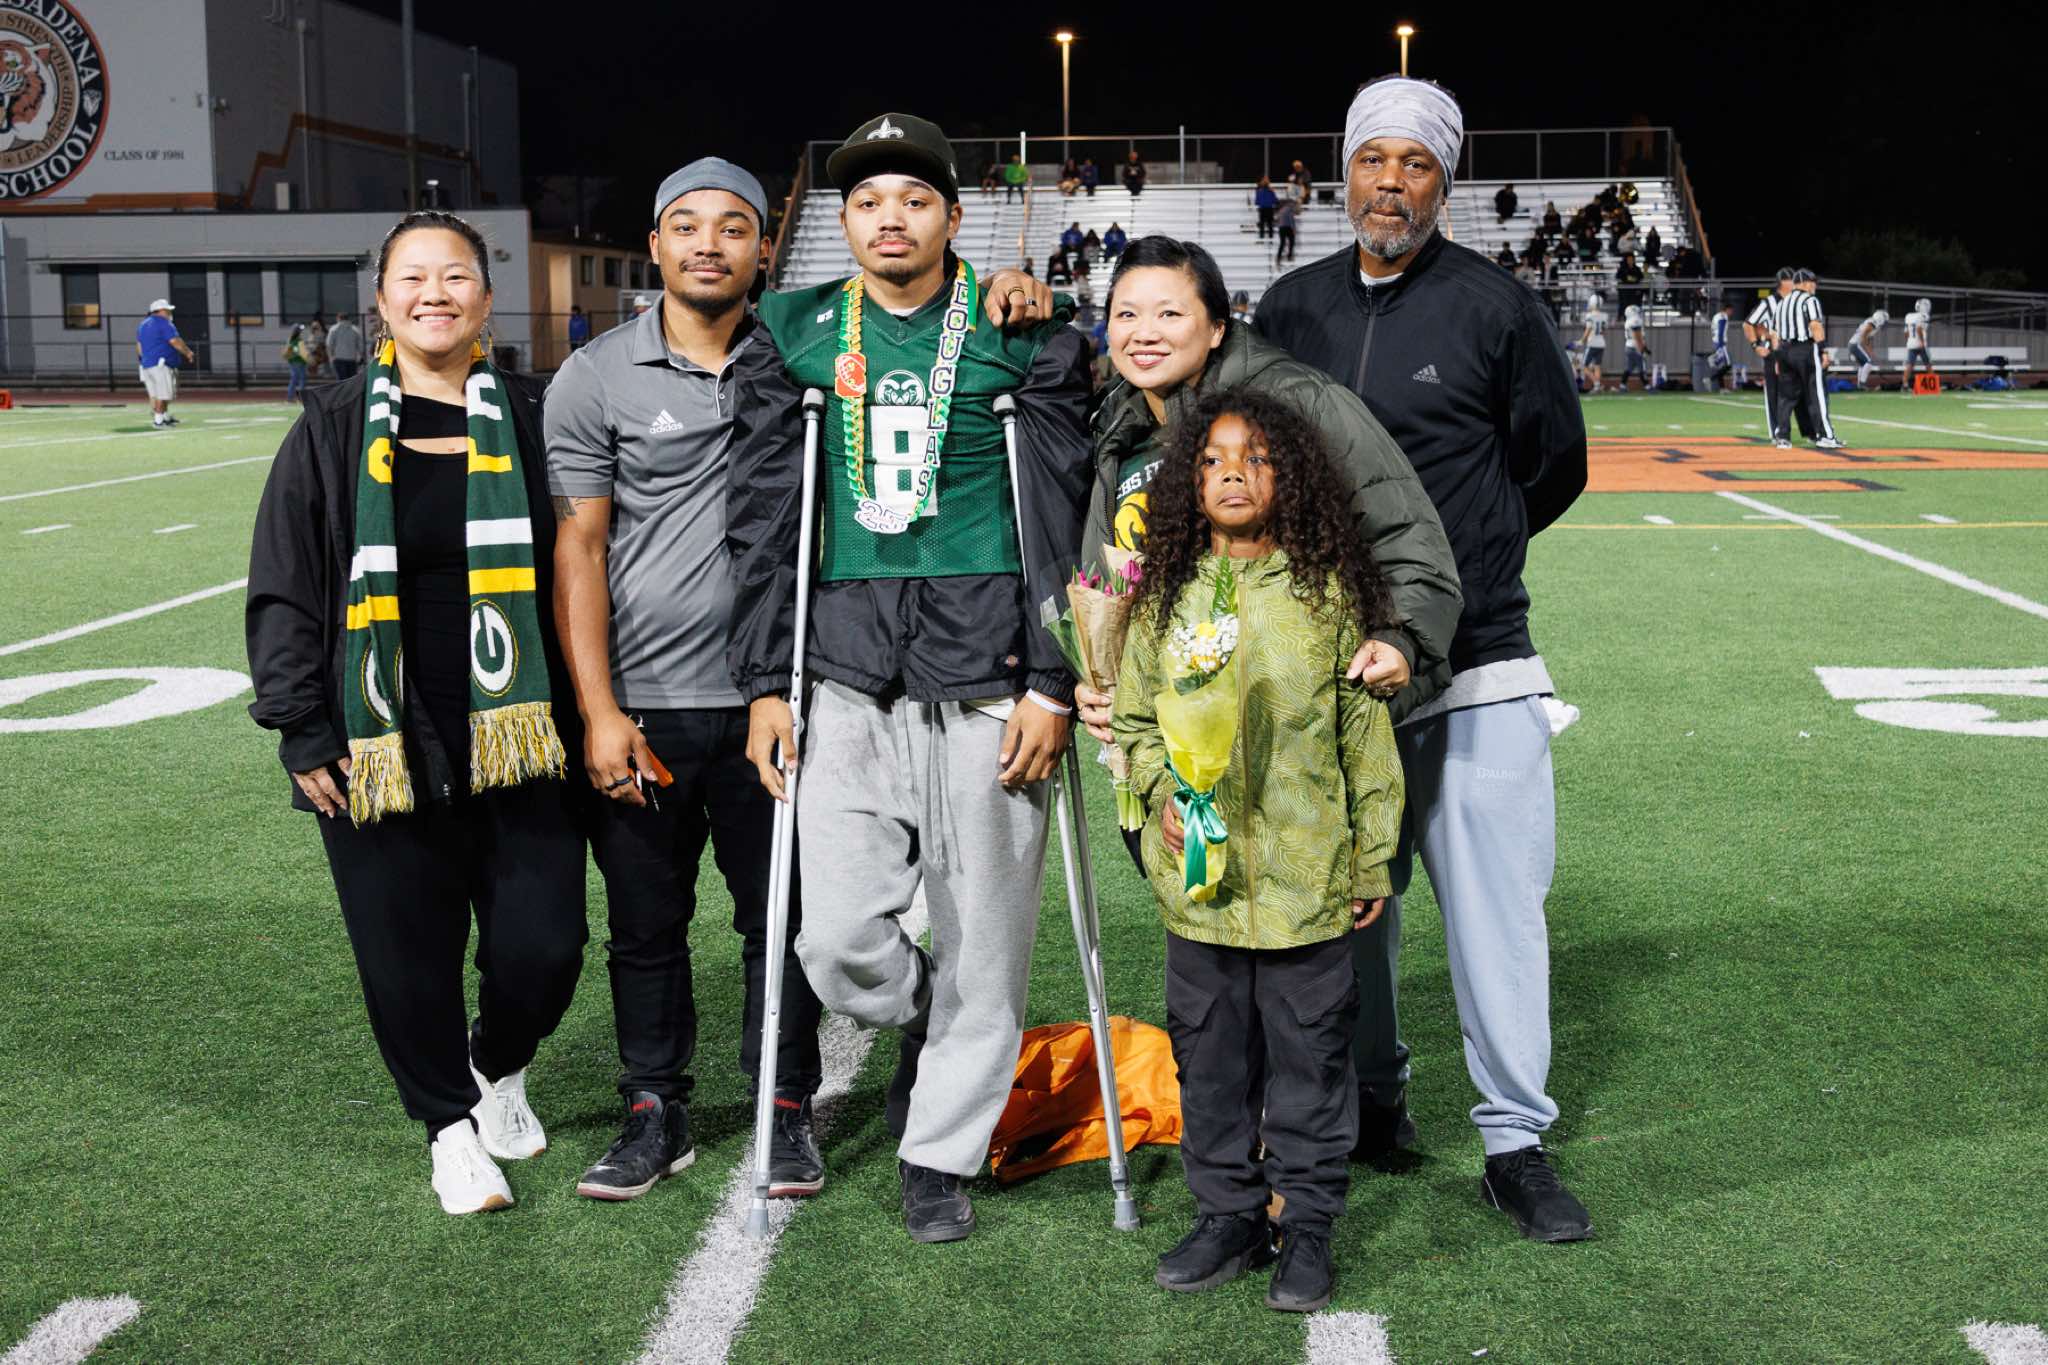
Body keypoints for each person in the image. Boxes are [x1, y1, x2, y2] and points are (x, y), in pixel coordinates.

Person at [729, 112, 1093, 1245]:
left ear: (952, 216)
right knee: (834, 939)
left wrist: (1052, 681)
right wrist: (766, 679)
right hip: (844, 670)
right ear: (843, 222)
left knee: (987, 932)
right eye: (867, 202)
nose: (890, 219)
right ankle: (934, 1016)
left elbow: (1063, 517)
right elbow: (762, 520)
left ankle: (937, 1152)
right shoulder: (790, 333)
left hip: (988, 676)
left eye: (914, 200)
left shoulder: (1020, 332)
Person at [1254, 75, 1594, 1243]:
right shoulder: (1289, 307)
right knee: (1347, 908)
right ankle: (1371, 1105)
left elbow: (1552, 464)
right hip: (1328, 667)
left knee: (1493, 914)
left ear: (1444, 182)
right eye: (1371, 160)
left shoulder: (1496, 308)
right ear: (1341, 172)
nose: (1388, 184)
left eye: (1413, 164)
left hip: (1476, 661)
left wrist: (1456, 577)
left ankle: (1513, 1143)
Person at [245, 210, 588, 1217]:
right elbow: (284, 581)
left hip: (520, 730)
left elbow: (585, 565)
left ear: (487, 297)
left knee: (546, 944)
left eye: (455, 276)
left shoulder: (536, 414)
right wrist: (301, 726)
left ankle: (497, 1063)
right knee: (405, 951)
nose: (434, 293)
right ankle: (448, 1128)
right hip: (381, 733)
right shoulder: (333, 425)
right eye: (412, 277)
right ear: (382, 302)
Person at [545, 159, 832, 1203]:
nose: (709, 243)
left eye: (733, 226)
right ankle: (652, 1108)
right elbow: (579, 549)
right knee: (645, 926)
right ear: (655, 245)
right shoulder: (594, 377)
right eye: (687, 225)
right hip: (646, 708)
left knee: (781, 922)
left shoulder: (805, 354)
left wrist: (1009, 288)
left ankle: (782, 1105)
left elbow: (916, 309)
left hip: (774, 698)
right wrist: (599, 711)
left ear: (764, 248)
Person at [1114, 387, 1403, 1314]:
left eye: (1255, 458)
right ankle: (1227, 1214)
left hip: (1304, 881)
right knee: (1210, 1058)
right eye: (1211, 460)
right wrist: (1163, 796)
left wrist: (1370, 856)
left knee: (1310, 1058)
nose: (1232, 473)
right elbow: (1134, 723)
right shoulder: (1163, 598)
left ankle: (1307, 1221)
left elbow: (1363, 734)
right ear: (1188, 482)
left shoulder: (1325, 595)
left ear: (1293, 477)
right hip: (1201, 886)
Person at [1071, 236, 1458, 859]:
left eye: (1169, 313)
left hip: (1295, 737)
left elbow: (1402, 530)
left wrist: (1402, 637)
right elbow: (1110, 574)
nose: (1145, 332)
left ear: (1217, 328)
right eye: (1127, 314)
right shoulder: (1119, 424)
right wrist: (1102, 682)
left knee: (1314, 903)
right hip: (1180, 754)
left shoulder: (1296, 401)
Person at [1774, 268, 1839, 448]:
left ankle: (1783, 437)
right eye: (1812, 282)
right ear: (1803, 283)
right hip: (1804, 349)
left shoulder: (1782, 302)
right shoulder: (1810, 300)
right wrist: (1823, 351)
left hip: (1784, 350)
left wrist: (1778, 357)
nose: (1815, 285)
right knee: (1817, 393)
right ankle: (1825, 436)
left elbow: (1775, 332)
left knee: (1786, 397)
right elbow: (1815, 326)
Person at [135, 298, 195, 429]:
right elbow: (174, 341)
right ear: (161, 311)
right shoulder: (164, 323)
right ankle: (158, 421)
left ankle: (164, 417)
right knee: (163, 394)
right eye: (167, 310)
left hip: (147, 365)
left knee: (158, 394)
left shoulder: (143, 325)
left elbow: (139, 346)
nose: (169, 313)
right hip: (161, 364)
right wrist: (188, 352)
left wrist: (143, 361)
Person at [1848, 308, 1888, 389]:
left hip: (1853, 344)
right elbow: (1863, 335)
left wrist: (1870, 351)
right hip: (1855, 344)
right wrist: (1866, 348)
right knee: (1868, 363)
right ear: (1881, 318)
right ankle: (1862, 383)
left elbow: (1867, 338)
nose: (1884, 323)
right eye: (1884, 320)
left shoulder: (1871, 322)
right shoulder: (1873, 323)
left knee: (1863, 364)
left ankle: (1859, 385)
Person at [1579, 293, 1608, 393]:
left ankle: (1597, 383)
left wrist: (1582, 340)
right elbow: (1604, 331)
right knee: (1597, 366)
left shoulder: (1590, 316)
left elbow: (1588, 329)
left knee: (1583, 366)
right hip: (1601, 343)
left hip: (1592, 343)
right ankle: (1597, 387)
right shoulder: (1604, 316)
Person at [1902, 297, 1933, 393]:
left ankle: (1905, 385)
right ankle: (1933, 385)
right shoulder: (1924, 316)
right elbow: (1919, 329)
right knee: (1928, 364)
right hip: (1921, 344)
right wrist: (1922, 342)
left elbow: (1905, 332)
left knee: (1909, 365)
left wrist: (1908, 341)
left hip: (1911, 344)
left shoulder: (1909, 316)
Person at [1621, 302, 1652, 391]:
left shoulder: (1628, 321)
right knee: (1642, 367)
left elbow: (1638, 337)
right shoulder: (1635, 321)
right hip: (1635, 347)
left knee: (1629, 367)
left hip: (1629, 346)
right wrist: (1642, 349)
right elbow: (1637, 336)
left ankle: (1622, 385)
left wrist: (1644, 347)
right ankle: (1647, 386)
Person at [1708, 300, 1738, 390]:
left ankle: (1722, 388)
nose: (1732, 313)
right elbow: (1720, 331)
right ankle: (1711, 377)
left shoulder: (1716, 316)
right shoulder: (1723, 316)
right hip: (1720, 343)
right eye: (1731, 310)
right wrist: (1721, 345)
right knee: (1728, 365)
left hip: (1716, 341)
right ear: (1728, 309)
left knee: (1721, 367)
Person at [328, 311, 364, 382]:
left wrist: (331, 357)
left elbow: (329, 344)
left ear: (338, 318)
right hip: (352, 359)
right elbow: (360, 346)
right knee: (351, 380)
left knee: (341, 381)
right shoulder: (355, 330)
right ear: (348, 318)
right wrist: (361, 356)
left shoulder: (333, 329)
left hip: (338, 358)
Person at [282, 325, 309, 403]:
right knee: (302, 380)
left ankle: (290, 397)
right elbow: (302, 353)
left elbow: (290, 351)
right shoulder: (299, 341)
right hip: (300, 362)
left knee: (293, 380)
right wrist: (308, 359)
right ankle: (301, 398)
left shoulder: (290, 340)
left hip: (292, 362)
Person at [304, 313, 330, 380]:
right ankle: (323, 373)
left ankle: (323, 373)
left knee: (318, 361)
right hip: (317, 348)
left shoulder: (318, 329)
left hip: (318, 347)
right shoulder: (320, 328)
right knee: (318, 361)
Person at [1273, 197, 1297, 266]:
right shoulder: (1289, 210)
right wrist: (1294, 229)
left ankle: (1278, 257)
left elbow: (1277, 220)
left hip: (1281, 228)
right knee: (1292, 242)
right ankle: (1289, 256)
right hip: (1288, 227)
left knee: (1282, 243)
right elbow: (1291, 220)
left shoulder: (1280, 210)